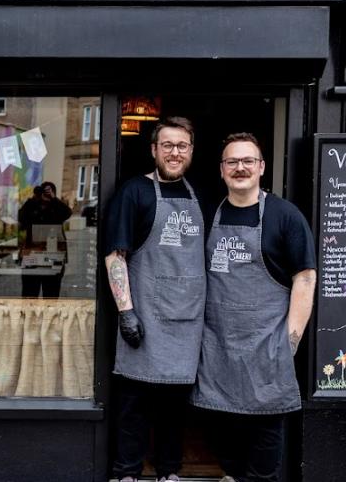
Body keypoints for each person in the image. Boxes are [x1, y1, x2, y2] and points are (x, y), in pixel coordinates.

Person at [192, 133, 317, 482]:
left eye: (248, 160)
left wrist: (288, 344)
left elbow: (305, 280)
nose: (240, 167)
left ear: (261, 167)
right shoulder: (208, 214)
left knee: (264, 448)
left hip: (266, 349)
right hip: (216, 349)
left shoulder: (284, 216)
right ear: (221, 170)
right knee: (219, 433)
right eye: (232, 161)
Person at [104, 117, 206, 482]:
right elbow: (117, 256)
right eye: (167, 145)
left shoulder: (203, 195)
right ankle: (127, 472)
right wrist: (126, 311)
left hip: (187, 319)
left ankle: (169, 471)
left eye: (181, 145)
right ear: (153, 150)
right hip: (144, 314)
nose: (174, 152)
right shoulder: (135, 192)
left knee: (174, 408)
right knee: (134, 403)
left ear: (191, 151)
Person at [18, 181, 71, 298]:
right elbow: (21, 217)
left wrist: (54, 199)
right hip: (32, 256)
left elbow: (68, 213)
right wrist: (33, 199)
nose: (45, 196)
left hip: (53, 256)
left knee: (51, 297)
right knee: (29, 296)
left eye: (49, 192)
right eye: (44, 193)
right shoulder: (33, 206)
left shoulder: (57, 208)